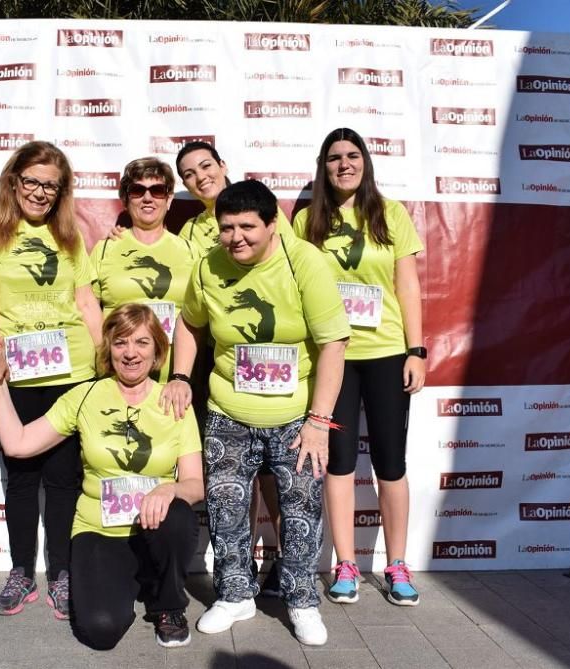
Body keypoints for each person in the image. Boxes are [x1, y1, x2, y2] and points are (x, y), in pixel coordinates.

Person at [161, 179, 350, 646]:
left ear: (272, 225)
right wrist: (181, 376)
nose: (236, 237)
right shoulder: (208, 266)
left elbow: (333, 342)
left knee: (301, 508)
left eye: (247, 226)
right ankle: (234, 594)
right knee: (226, 509)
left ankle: (303, 600)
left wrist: (319, 420)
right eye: (227, 228)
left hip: (295, 415)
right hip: (228, 410)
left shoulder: (304, 261)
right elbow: (189, 322)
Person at [0, 304, 204, 649]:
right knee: (99, 631)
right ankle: (133, 581)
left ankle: (169, 605)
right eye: (120, 343)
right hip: (98, 530)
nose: (131, 353)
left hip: (154, 526)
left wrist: (169, 489)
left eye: (142, 343)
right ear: (108, 349)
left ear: (159, 351)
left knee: (176, 516)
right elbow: (18, 443)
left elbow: (195, 484)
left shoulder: (174, 401)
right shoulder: (85, 395)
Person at [0, 141, 103, 621]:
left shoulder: (70, 238)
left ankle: (62, 574)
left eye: (52, 185)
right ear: (13, 180)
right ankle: (21, 572)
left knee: (64, 479)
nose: (41, 193)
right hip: (18, 370)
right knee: (21, 478)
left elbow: (86, 302)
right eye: (33, 182)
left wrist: (104, 356)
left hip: (73, 372)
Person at [294, 127, 425, 608]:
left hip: (388, 353)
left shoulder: (391, 214)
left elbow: (407, 286)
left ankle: (397, 565)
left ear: (365, 161)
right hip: (334, 358)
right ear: (323, 166)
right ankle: (344, 564)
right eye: (334, 158)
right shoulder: (307, 219)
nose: (344, 164)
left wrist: (417, 350)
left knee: (391, 463)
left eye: (352, 156)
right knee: (340, 463)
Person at [175, 141, 287, 585]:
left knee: (275, 471)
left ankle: (279, 557)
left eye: (206, 166)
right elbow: (192, 304)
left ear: (224, 165)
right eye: (189, 173)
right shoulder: (188, 234)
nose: (200, 176)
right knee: (238, 469)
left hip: (273, 360)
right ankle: (242, 567)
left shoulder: (261, 208)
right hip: (219, 362)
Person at [91, 157, 199, 381]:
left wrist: (182, 378)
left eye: (157, 190)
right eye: (138, 191)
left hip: (175, 381)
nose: (148, 198)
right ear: (125, 199)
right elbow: (87, 311)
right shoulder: (104, 250)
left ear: (169, 199)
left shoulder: (191, 251)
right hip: (116, 377)